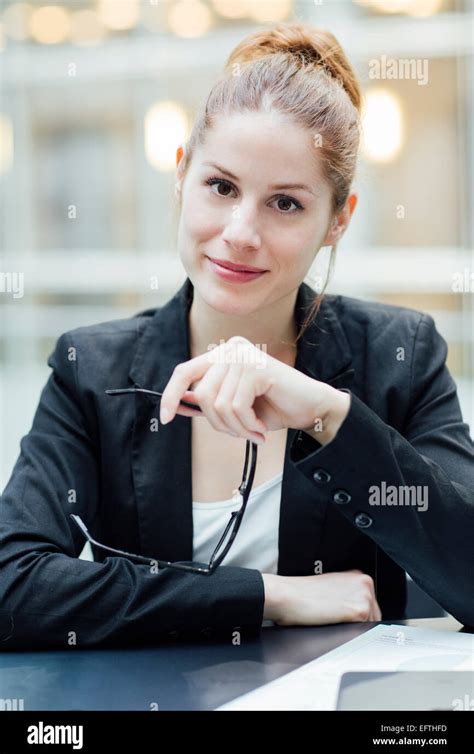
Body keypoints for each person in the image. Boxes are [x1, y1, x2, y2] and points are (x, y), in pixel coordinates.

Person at [1, 21, 473, 650]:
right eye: (221, 187)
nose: (241, 232)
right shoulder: (92, 369)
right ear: (180, 175)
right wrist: (265, 594)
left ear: (338, 219)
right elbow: (13, 588)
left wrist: (327, 413)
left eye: (286, 204)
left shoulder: (400, 356)